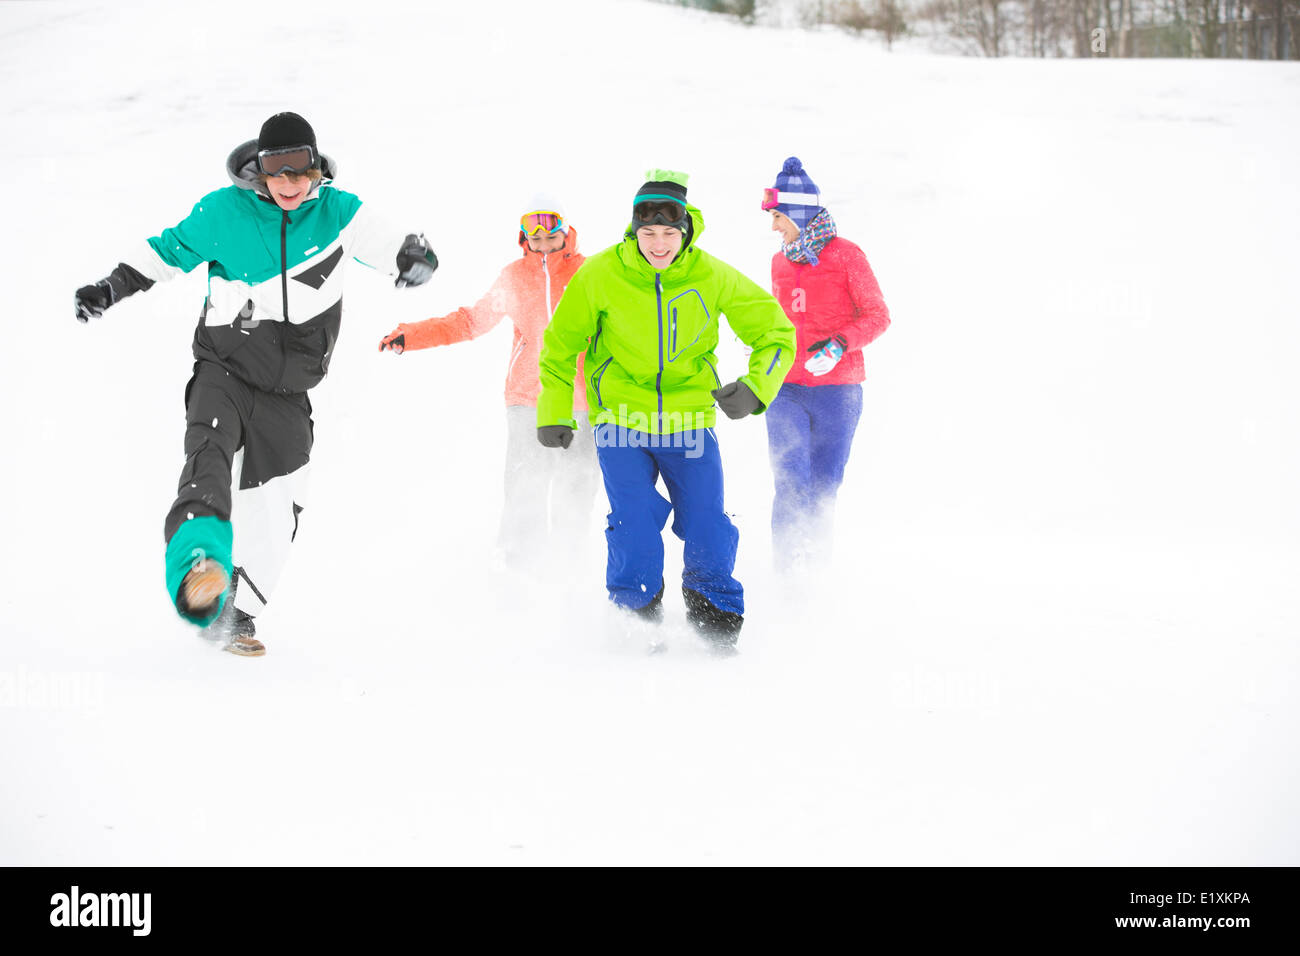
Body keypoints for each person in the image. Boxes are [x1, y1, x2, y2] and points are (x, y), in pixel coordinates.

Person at [73, 111, 438, 656]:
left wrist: (412, 255)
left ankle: (235, 613)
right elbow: (167, 252)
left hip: (290, 392)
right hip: (225, 369)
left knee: (281, 505)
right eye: (276, 172)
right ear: (259, 171)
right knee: (209, 458)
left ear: (317, 170)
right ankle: (200, 568)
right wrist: (109, 287)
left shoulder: (339, 212)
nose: (289, 185)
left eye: (300, 172)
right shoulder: (224, 211)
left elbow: (385, 239)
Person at [536, 170, 795, 653]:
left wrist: (757, 387)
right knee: (633, 522)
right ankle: (636, 620)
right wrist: (554, 411)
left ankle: (714, 617)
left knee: (706, 523)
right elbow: (558, 348)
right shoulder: (600, 275)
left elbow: (776, 332)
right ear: (634, 231)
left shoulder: (711, 275)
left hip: (689, 419)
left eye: (668, 233)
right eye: (648, 233)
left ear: (686, 231)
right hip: (620, 420)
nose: (658, 243)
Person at [378, 198, 596, 569]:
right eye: (534, 232)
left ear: (566, 230)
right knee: (526, 481)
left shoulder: (589, 273)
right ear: (524, 235)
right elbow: (470, 322)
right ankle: (519, 563)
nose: (543, 240)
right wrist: (413, 335)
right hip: (528, 396)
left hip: (584, 399)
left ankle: (566, 564)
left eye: (551, 230)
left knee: (577, 485)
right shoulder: (514, 276)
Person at [761, 156, 890, 572]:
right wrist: (764, 346)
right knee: (789, 480)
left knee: (822, 489)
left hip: (839, 392)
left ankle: (814, 574)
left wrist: (839, 345)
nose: (775, 226)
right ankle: (786, 572)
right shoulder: (780, 261)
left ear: (799, 212)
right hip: (786, 390)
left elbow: (877, 315)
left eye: (779, 216)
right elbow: (779, 321)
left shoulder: (847, 256)